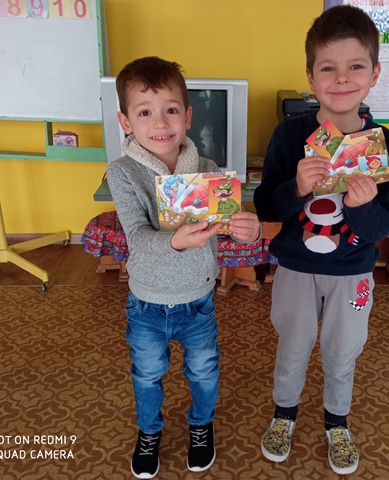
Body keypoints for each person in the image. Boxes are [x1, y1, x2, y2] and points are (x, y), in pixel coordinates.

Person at [253, 5, 389, 475]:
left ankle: (337, 421)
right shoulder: (289, 136)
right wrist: (296, 187)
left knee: (343, 351)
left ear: (374, 74)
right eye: (328, 68)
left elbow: (386, 224)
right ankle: (284, 414)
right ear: (310, 76)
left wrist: (362, 207)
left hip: (352, 271)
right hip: (296, 267)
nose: (341, 79)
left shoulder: (384, 144)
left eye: (355, 66)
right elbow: (266, 207)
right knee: (293, 346)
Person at [107, 56, 261, 479]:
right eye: (145, 112)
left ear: (188, 116)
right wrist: (176, 240)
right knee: (147, 374)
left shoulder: (208, 171)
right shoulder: (123, 173)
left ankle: (201, 425)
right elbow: (137, 237)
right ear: (125, 122)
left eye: (171, 109)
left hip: (198, 301)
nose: (160, 122)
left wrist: (246, 229)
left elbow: (225, 227)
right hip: (147, 303)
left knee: (204, 371)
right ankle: (149, 432)